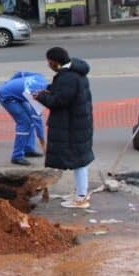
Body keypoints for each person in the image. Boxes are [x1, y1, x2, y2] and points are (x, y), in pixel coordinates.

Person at [34, 47, 94, 209]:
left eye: (49, 62)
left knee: (80, 162)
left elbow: (58, 101)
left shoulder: (69, 78)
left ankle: (81, 198)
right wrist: (48, 90)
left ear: (55, 62)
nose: (48, 65)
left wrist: (41, 97)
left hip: (73, 126)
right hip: (79, 123)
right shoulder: (74, 73)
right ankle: (79, 193)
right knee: (79, 160)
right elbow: (61, 91)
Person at [0, 71, 48, 165]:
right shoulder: (37, 97)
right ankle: (17, 156)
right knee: (24, 123)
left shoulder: (41, 77)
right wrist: (44, 145)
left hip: (15, 95)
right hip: (6, 96)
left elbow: (20, 73)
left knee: (30, 120)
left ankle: (28, 149)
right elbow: (38, 123)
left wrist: (9, 83)